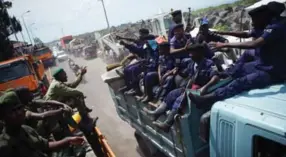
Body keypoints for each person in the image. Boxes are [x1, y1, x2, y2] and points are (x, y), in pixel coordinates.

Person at [189, 3, 286, 142]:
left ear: (264, 16)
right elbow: (245, 34)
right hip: (263, 64)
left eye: (254, 19)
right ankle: (225, 75)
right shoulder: (267, 24)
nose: (252, 23)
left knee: (241, 82)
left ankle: (209, 98)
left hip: (274, 71)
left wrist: (226, 44)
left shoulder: (276, 27)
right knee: (239, 69)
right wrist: (222, 33)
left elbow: (254, 44)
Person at [144, 43, 219, 131]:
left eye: (193, 53)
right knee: (172, 94)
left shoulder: (209, 63)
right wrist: (185, 85)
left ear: (200, 53)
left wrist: (205, 87)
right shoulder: (192, 64)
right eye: (190, 53)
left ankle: (167, 124)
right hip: (192, 87)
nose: (190, 55)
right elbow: (191, 78)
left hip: (202, 90)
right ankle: (156, 114)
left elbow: (215, 77)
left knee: (180, 99)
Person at [0, 91, 86, 157]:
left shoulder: (26, 129)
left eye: (19, 108)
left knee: (80, 150)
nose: (19, 113)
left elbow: (46, 145)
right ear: (3, 118)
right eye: (12, 111)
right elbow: (43, 116)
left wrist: (68, 140)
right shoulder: (4, 146)